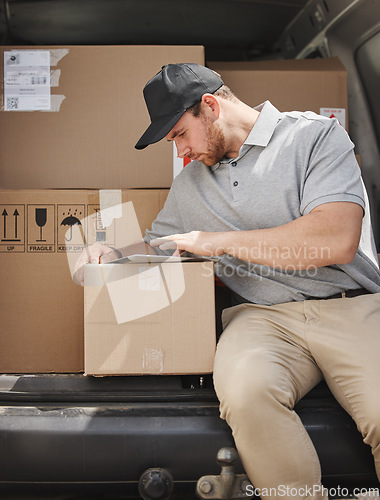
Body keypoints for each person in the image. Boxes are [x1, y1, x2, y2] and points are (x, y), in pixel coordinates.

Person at [75, 63, 380, 498]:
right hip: (262, 319)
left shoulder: (312, 136)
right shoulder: (190, 184)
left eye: (180, 134)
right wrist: (111, 254)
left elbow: (337, 238)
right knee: (244, 393)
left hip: (350, 305)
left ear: (211, 106)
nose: (180, 152)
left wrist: (218, 242)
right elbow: (161, 246)